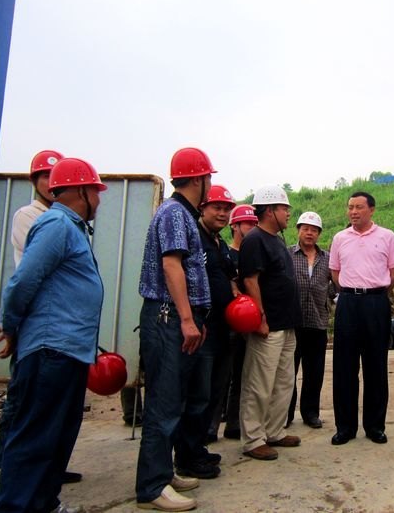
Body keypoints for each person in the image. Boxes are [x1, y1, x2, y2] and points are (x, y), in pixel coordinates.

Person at [0, 157, 107, 513]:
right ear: (81, 191)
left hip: (67, 350)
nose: (99, 200)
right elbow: (23, 281)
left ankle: (43, 503)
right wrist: (12, 327)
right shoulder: (56, 224)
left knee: (56, 435)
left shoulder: (71, 228)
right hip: (50, 349)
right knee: (35, 437)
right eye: (96, 192)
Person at [136, 147, 217, 512]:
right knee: (164, 403)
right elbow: (172, 266)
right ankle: (152, 486)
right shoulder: (173, 213)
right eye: (208, 177)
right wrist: (186, 318)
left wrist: (195, 318)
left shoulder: (183, 214)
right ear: (199, 178)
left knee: (176, 400)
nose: (209, 183)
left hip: (178, 317)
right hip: (168, 318)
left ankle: (164, 472)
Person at [0, 150, 82, 485]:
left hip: (55, 320)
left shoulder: (65, 219)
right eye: (45, 176)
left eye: (55, 176)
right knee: (23, 399)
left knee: (50, 406)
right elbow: (30, 276)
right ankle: (10, 466)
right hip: (37, 318)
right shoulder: (32, 217)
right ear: (35, 181)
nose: (51, 183)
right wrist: (11, 323)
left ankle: (46, 469)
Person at [329, 191, 394, 446]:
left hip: (376, 303)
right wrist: (352, 291)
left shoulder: (387, 236)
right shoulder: (340, 238)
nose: (353, 212)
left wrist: (375, 291)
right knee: (344, 368)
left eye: (359, 207)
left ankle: (375, 426)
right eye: (350, 207)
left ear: (371, 209)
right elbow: (335, 273)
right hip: (348, 303)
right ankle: (345, 427)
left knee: (376, 367)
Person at [238, 185, 302, 461]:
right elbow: (250, 280)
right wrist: (260, 317)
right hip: (269, 325)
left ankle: (274, 431)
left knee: (283, 382)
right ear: (270, 210)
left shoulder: (276, 240)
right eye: (284, 208)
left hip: (287, 324)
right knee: (259, 383)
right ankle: (253, 439)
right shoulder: (255, 240)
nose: (288, 213)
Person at [196, 185, 239, 446]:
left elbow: (230, 275)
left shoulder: (219, 243)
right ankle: (193, 445)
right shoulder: (195, 238)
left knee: (216, 387)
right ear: (203, 208)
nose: (222, 213)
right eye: (217, 208)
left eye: (226, 209)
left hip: (224, 326)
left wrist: (233, 288)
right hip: (203, 326)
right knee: (199, 389)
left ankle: (207, 436)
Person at [287, 211, 333, 429]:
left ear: (319, 234)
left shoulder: (328, 258)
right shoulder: (287, 254)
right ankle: (285, 414)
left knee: (314, 372)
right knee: (288, 372)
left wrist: (328, 299)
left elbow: (336, 285)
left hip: (317, 322)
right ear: (298, 230)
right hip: (292, 323)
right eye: (305, 229)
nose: (309, 233)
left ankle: (311, 413)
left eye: (314, 230)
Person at [219, 204, 258, 440]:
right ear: (235, 226)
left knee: (243, 376)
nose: (252, 227)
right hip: (225, 323)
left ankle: (234, 423)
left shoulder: (253, 256)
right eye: (248, 223)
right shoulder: (225, 253)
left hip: (249, 323)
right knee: (221, 375)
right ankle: (211, 426)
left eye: (255, 223)